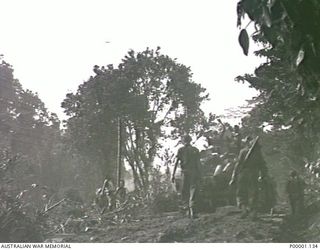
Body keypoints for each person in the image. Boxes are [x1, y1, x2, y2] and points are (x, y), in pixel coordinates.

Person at [229, 136, 268, 219]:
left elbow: (238, 165)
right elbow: (263, 165)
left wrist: (233, 177)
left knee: (243, 193)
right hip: (252, 174)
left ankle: (246, 210)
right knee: (253, 193)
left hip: (244, 174)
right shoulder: (256, 153)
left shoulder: (243, 151)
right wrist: (263, 175)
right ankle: (250, 212)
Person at [172, 134, 201, 219]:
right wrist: (200, 174)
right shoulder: (195, 150)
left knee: (185, 191)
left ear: (183, 141)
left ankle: (187, 211)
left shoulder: (181, 150)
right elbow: (198, 163)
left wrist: (173, 174)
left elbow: (176, 162)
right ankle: (192, 211)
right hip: (193, 172)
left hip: (184, 173)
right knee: (193, 190)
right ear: (190, 140)